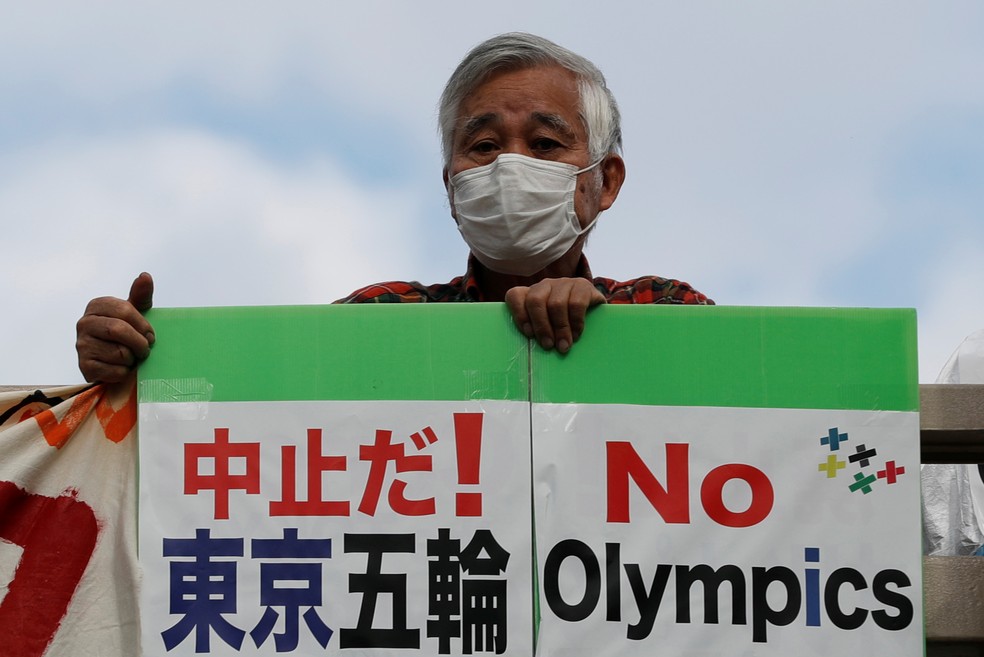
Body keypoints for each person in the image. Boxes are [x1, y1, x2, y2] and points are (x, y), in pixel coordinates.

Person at [75, 32, 711, 384]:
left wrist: (623, 339)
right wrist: (138, 366)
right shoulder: (377, 322)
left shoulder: (668, 312)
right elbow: (240, 414)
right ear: (452, 185)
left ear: (605, 183)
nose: (508, 164)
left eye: (545, 144)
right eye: (483, 146)